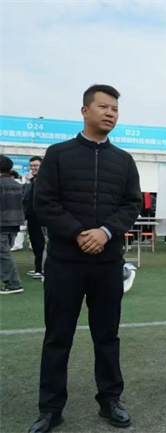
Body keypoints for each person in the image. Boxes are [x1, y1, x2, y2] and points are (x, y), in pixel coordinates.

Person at [28, 84, 142, 433]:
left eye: (115, 109)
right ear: (84, 110)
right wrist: (78, 233)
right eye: (104, 107)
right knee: (57, 337)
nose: (110, 113)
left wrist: (106, 232)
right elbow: (44, 203)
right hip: (64, 262)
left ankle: (110, 400)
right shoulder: (58, 154)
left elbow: (131, 204)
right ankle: (50, 408)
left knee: (107, 336)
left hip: (107, 264)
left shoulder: (123, 160)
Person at [0, 155, 25, 294]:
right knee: (5, 253)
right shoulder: (17, 184)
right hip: (14, 223)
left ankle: (13, 283)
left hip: (2, 222)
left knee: (3, 255)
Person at [23, 156, 46, 279]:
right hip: (31, 217)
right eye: (31, 165)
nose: (33, 168)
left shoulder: (43, 179)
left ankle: (41, 269)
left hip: (40, 217)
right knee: (35, 243)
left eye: (36, 165)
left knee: (40, 243)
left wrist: (32, 180)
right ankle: (38, 268)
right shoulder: (33, 180)